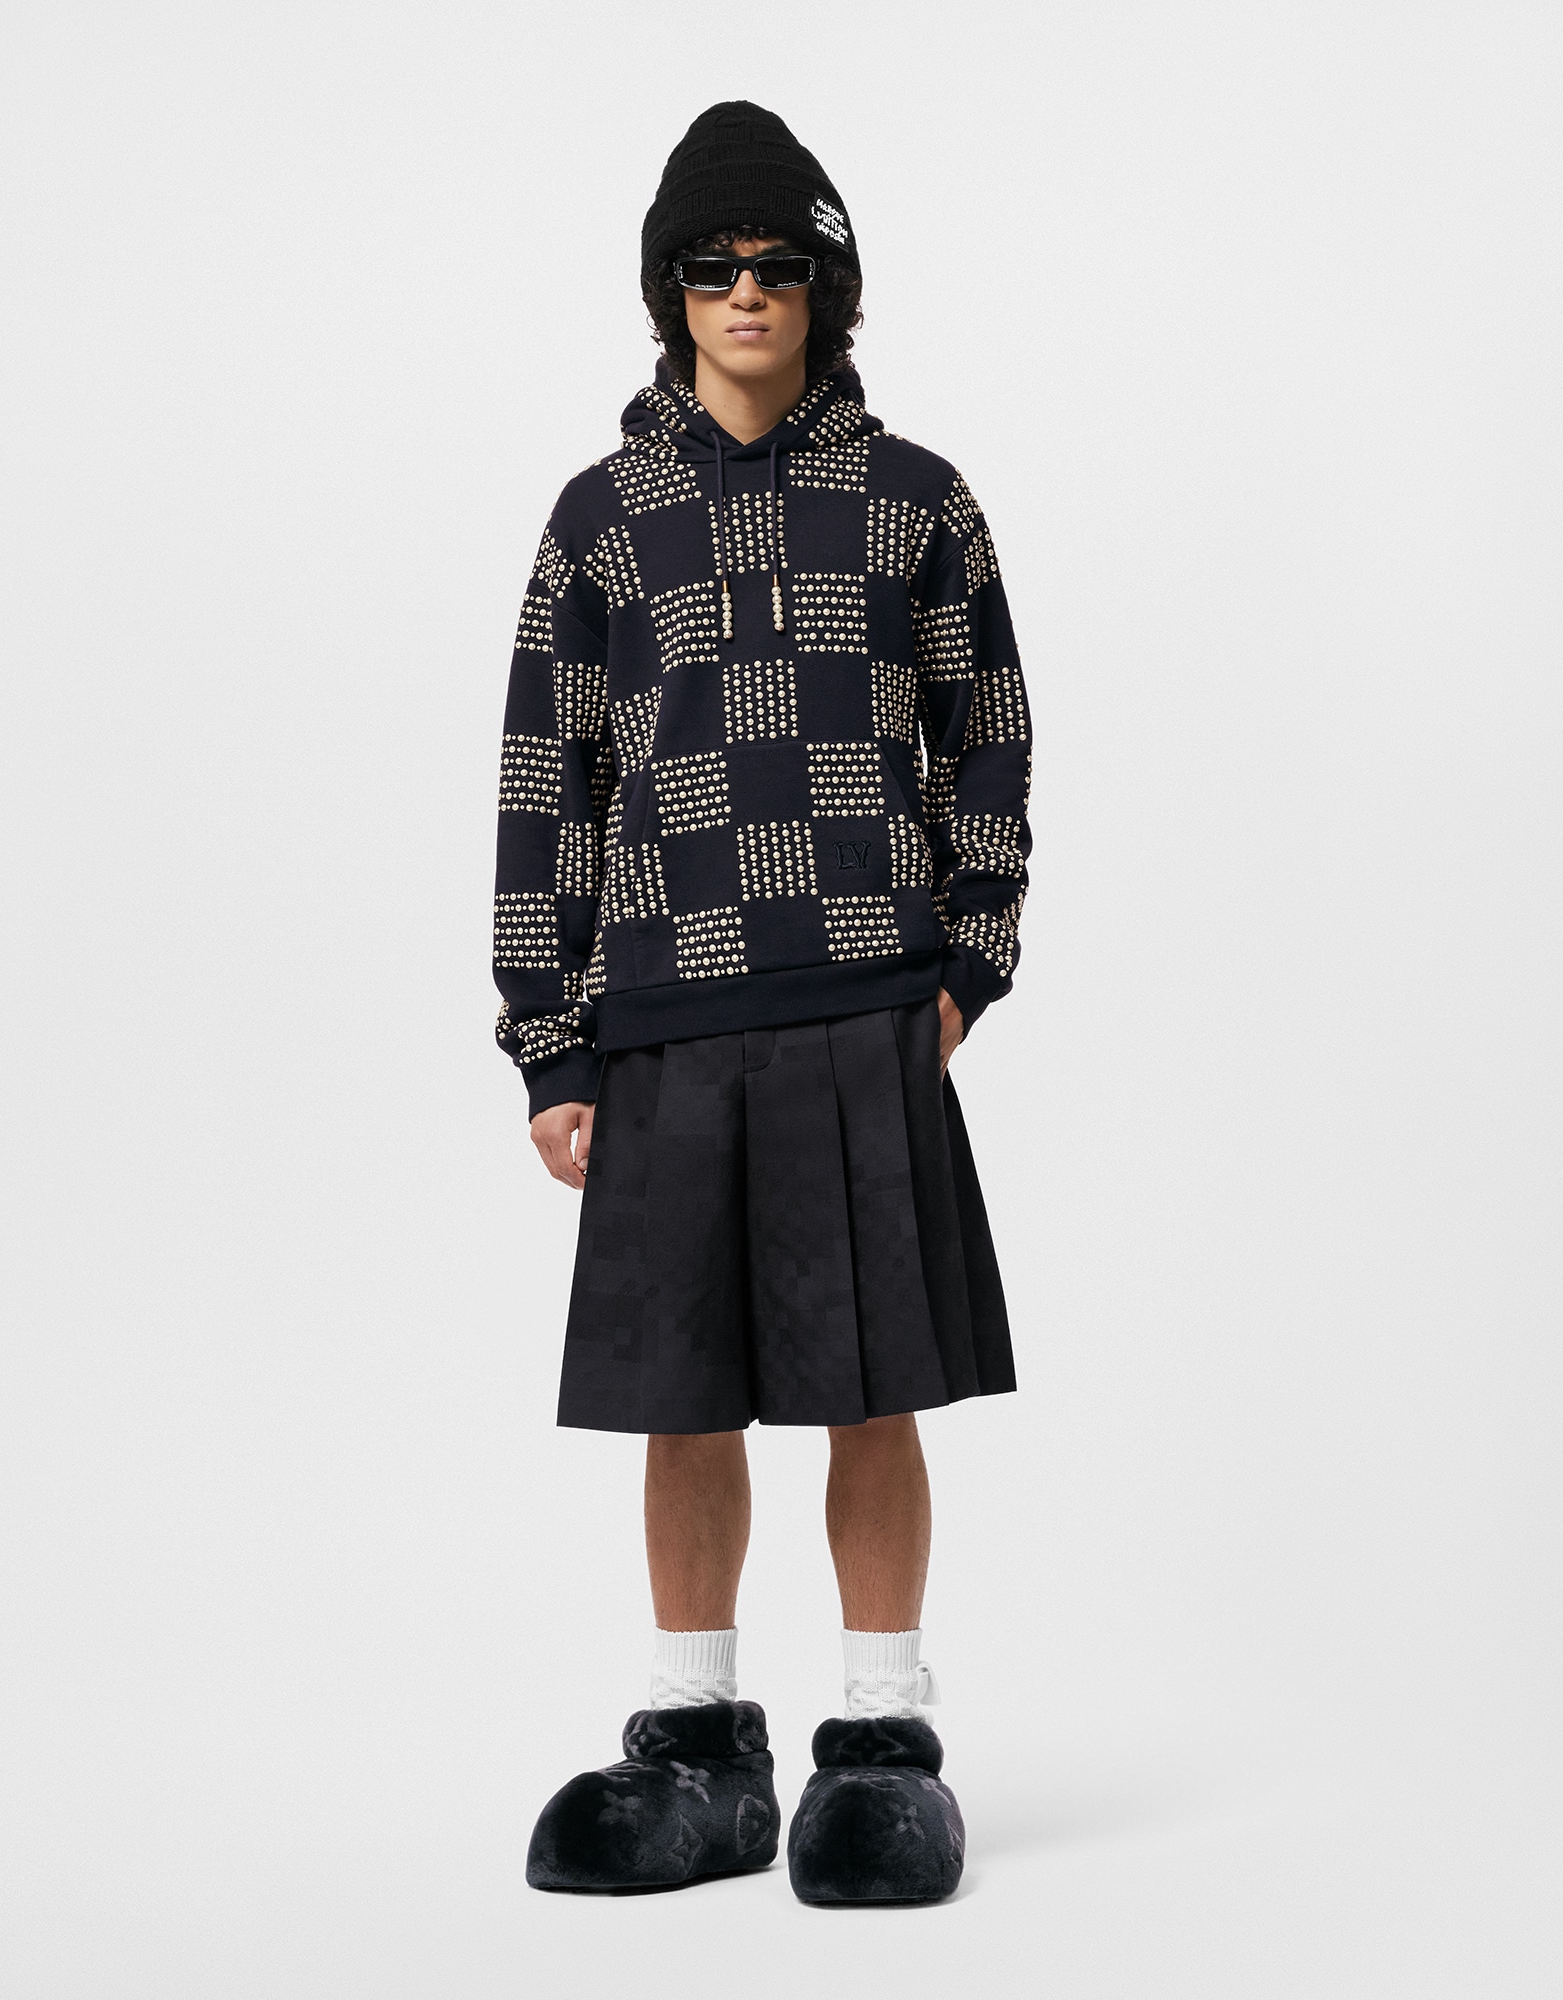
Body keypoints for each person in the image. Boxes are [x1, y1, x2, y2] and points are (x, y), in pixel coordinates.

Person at [491, 100, 1031, 1904]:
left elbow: (988, 735)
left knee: (876, 1390)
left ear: (824, 288)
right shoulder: (598, 521)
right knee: (685, 1397)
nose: (745, 292)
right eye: (712, 267)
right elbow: (548, 786)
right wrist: (552, 1039)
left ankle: (880, 1745)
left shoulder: (917, 500)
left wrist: (967, 962)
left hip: (866, 999)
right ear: (670, 290)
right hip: (658, 1015)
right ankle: (700, 1748)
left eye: (778, 265)